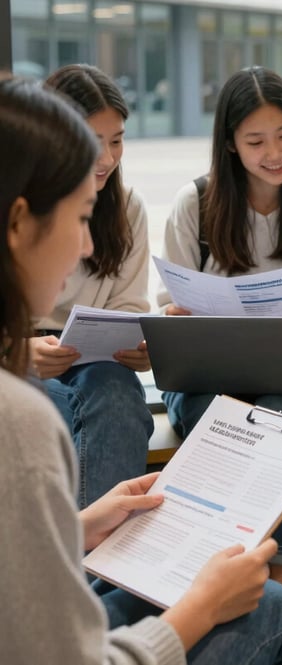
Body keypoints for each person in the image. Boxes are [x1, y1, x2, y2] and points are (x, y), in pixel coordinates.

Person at [0, 76, 282, 664]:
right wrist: (200, 608)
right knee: (271, 608)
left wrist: (79, 526)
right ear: (19, 223)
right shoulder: (18, 419)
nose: (89, 246)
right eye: (80, 217)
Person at [159, 66, 282, 601]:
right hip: (203, 378)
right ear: (229, 144)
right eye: (256, 140)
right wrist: (179, 320)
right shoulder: (194, 204)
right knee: (218, 426)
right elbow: (168, 301)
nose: (275, 152)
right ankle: (209, 581)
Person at [30, 64, 155, 509]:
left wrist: (140, 347)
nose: (107, 158)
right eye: (92, 141)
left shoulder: (126, 208)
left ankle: (104, 563)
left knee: (117, 390)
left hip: (93, 357)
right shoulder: (18, 204)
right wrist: (16, 351)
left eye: (117, 140)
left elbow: (128, 304)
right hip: (20, 355)